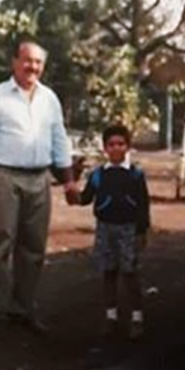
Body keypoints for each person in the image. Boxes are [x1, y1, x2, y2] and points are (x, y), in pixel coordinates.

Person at [0, 37, 73, 337]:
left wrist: (67, 181)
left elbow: (59, 140)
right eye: (27, 61)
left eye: (38, 62)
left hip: (40, 178)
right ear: (14, 62)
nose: (33, 67)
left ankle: (23, 309)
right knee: (1, 243)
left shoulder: (49, 98)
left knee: (33, 247)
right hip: (4, 176)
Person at [74, 124, 150, 340]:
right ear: (105, 148)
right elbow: (86, 198)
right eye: (111, 145)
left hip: (128, 228)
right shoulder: (98, 175)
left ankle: (136, 318)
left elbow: (144, 204)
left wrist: (142, 231)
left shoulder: (135, 174)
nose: (116, 148)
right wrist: (73, 194)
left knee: (130, 274)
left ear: (128, 147)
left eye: (121, 144)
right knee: (108, 273)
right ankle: (111, 316)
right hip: (105, 229)